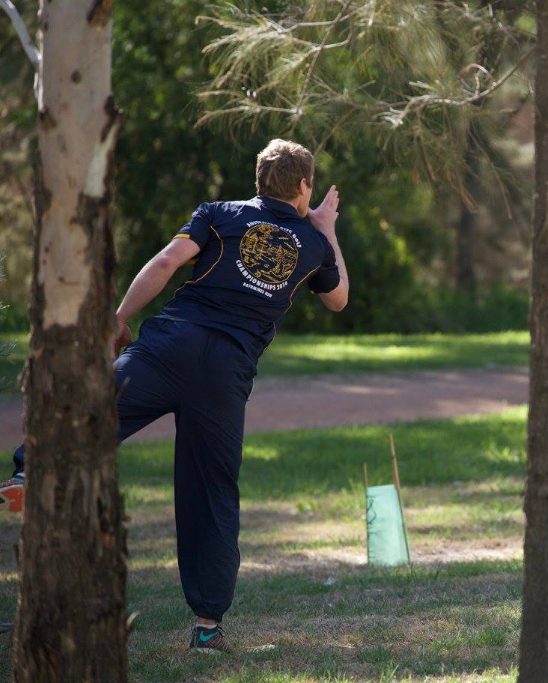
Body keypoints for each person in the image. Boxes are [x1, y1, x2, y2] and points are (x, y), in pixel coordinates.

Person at [0, 139, 348, 653]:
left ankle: (32, 470)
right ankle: (207, 628)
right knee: (211, 492)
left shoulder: (219, 213)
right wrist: (325, 227)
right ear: (304, 186)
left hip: (168, 347)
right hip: (224, 376)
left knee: (94, 410)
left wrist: (117, 320)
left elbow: (166, 262)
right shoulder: (312, 244)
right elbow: (339, 300)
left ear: (258, 181)